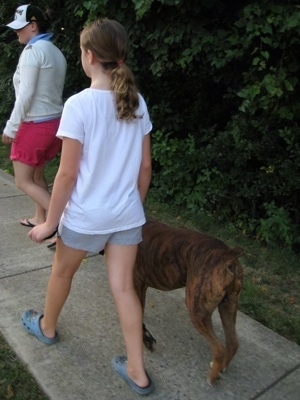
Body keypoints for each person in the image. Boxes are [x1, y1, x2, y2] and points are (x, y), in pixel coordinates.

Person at [22, 18, 153, 395]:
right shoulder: (137, 101)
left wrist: (50, 224)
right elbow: (145, 168)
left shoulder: (79, 105)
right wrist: (132, 208)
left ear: (89, 56)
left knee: (62, 274)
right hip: (126, 215)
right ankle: (137, 371)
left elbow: (65, 176)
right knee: (124, 288)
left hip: (86, 218)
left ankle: (46, 328)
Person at [2, 4, 67, 228]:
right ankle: (40, 218)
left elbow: (26, 94)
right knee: (38, 174)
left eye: (20, 27)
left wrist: (11, 127)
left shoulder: (32, 51)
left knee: (22, 180)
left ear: (33, 25)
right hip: (54, 123)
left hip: (35, 124)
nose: (16, 32)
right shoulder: (54, 50)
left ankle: (65, 221)